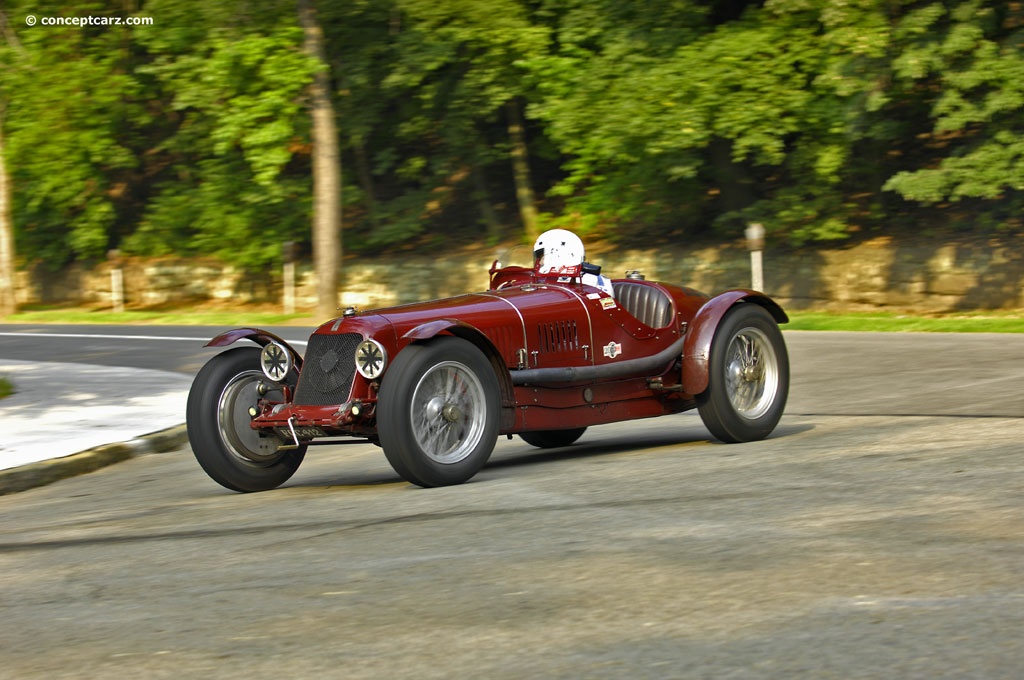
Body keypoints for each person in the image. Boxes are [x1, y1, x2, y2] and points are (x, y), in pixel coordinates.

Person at [532, 228, 614, 295]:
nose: (540, 263)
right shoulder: (548, 279)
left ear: (561, 254)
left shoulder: (590, 279)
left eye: (543, 257)